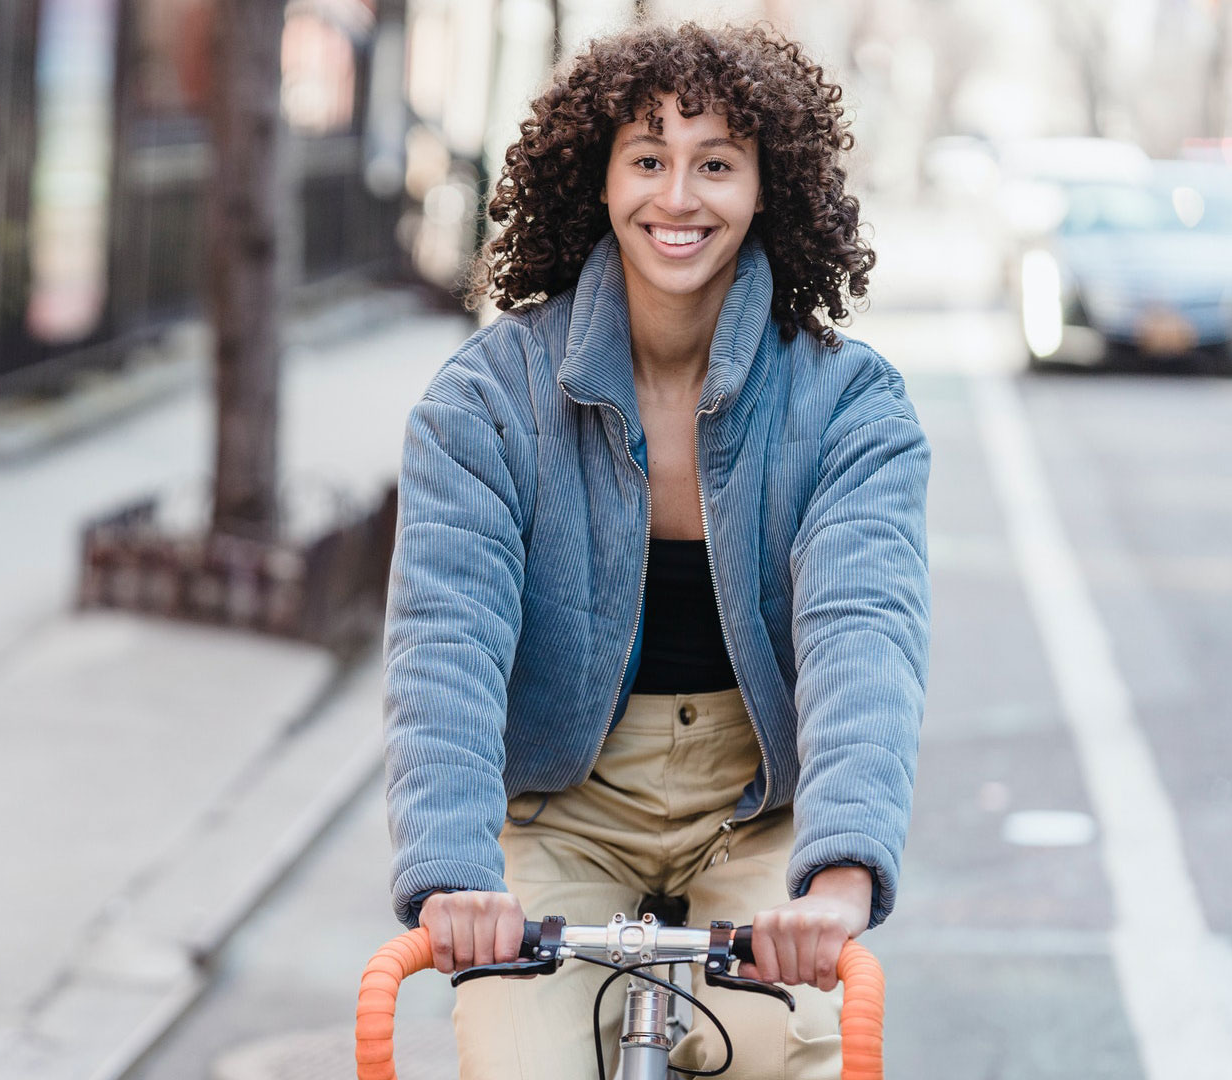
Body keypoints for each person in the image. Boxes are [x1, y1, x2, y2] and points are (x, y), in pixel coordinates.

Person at [382, 22, 929, 1079]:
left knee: (792, 1050)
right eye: (647, 159)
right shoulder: (486, 401)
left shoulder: (852, 407)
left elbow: (865, 633)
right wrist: (454, 872)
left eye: (716, 163)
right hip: (560, 802)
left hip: (757, 804)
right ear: (599, 180)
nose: (678, 197)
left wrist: (842, 873)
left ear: (768, 187)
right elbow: (444, 638)